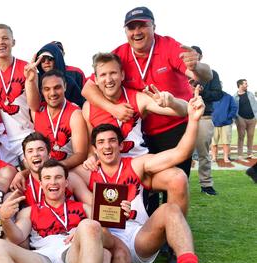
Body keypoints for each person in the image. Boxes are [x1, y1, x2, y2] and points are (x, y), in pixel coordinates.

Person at [72, 92, 217, 263]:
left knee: (169, 209)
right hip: (104, 238)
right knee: (114, 249)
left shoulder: (137, 164)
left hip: (139, 236)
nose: (107, 146)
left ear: (121, 145)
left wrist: (194, 120)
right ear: (94, 148)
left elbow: (180, 153)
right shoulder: (84, 172)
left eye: (112, 141)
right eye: (101, 142)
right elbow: (58, 181)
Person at [81, 6, 211, 179]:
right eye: (131, 27)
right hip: (143, 133)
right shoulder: (120, 54)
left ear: (154, 27)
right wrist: (114, 109)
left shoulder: (168, 45)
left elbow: (204, 75)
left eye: (142, 25)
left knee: (175, 178)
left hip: (174, 124)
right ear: (125, 31)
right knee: (146, 188)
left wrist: (196, 66)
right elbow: (88, 88)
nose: (136, 32)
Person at [0, 24, 34, 165]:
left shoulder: (26, 67)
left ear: (13, 42)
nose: (1, 42)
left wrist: (31, 81)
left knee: (33, 174)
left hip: (25, 134)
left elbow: (34, 105)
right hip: (2, 139)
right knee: (6, 183)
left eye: (5, 38)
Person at [25, 65, 88, 169]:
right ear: (42, 91)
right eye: (47, 89)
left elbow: (80, 154)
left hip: (68, 170)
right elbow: (31, 99)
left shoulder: (75, 114)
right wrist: (30, 80)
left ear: (65, 87)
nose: (52, 93)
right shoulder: (37, 111)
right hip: (43, 169)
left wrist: (56, 167)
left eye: (57, 87)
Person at [189, 46, 223, 195]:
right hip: (182, 117)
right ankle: (180, 184)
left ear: (200, 57)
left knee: (203, 153)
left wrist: (202, 93)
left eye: (195, 55)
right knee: (180, 154)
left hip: (204, 116)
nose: (191, 58)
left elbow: (218, 94)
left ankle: (206, 184)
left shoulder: (211, 74)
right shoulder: (180, 73)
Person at [35, 42, 85, 106]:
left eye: (50, 59)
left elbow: (81, 103)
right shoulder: (35, 79)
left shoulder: (70, 80)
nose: (46, 62)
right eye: (42, 59)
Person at [211, 91, 238, 164]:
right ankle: (214, 157)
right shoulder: (211, 96)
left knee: (226, 142)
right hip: (213, 123)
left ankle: (225, 157)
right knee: (213, 143)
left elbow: (234, 108)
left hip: (226, 123)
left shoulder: (228, 97)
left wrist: (228, 117)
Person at [234, 79, 257, 160]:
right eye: (245, 84)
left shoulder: (250, 94)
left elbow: (255, 105)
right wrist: (236, 119)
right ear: (240, 85)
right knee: (241, 136)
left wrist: (256, 117)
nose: (247, 85)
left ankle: (250, 153)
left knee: (250, 136)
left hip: (252, 119)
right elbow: (234, 109)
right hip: (241, 119)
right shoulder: (235, 97)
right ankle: (240, 155)